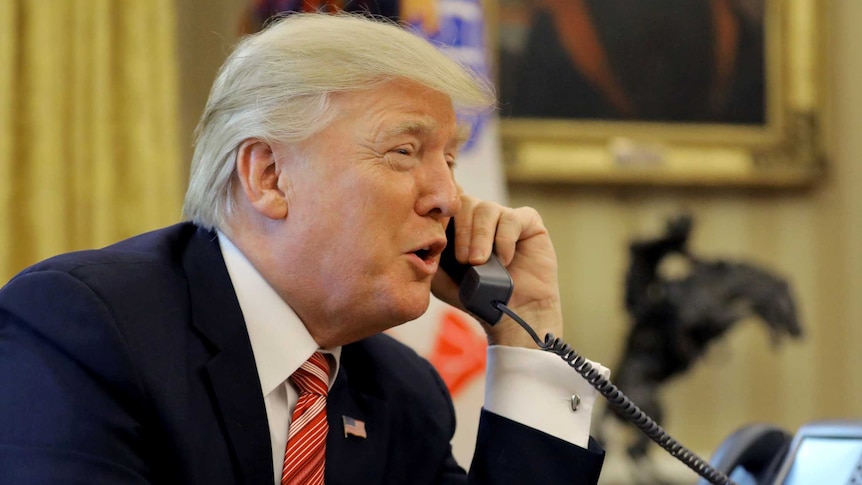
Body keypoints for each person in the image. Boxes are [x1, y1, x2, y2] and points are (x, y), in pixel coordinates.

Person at [0, 13, 606, 484]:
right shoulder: (88, 329)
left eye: (449, 159)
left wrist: (530, 340)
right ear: (268, 176)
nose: (448, 196)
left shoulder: (402, 394)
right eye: (404, 151)